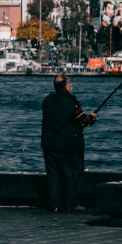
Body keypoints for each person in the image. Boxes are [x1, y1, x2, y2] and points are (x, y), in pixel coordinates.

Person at [41, 74, 95, 212]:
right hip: (66, 146)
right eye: (70, 83)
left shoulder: (47, 101)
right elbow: (82, 121)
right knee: (69, 175)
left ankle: (55, 205)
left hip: (49, 145)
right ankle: (71, 205)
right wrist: (91, 118)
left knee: (52, 176)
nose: (71, 85)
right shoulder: (73, 103)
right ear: (66, 86)